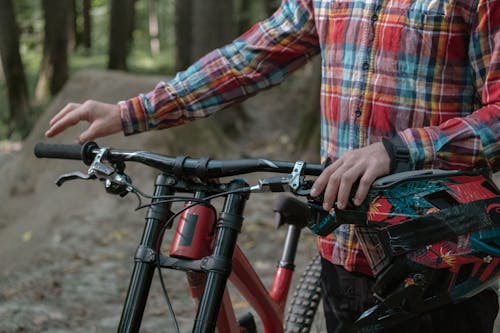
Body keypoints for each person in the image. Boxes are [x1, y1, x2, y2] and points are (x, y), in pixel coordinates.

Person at [45, 0, 500, 332]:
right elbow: (248, 60)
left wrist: (399, 149)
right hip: (343, 248)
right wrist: (132, 111)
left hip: (440, 257)